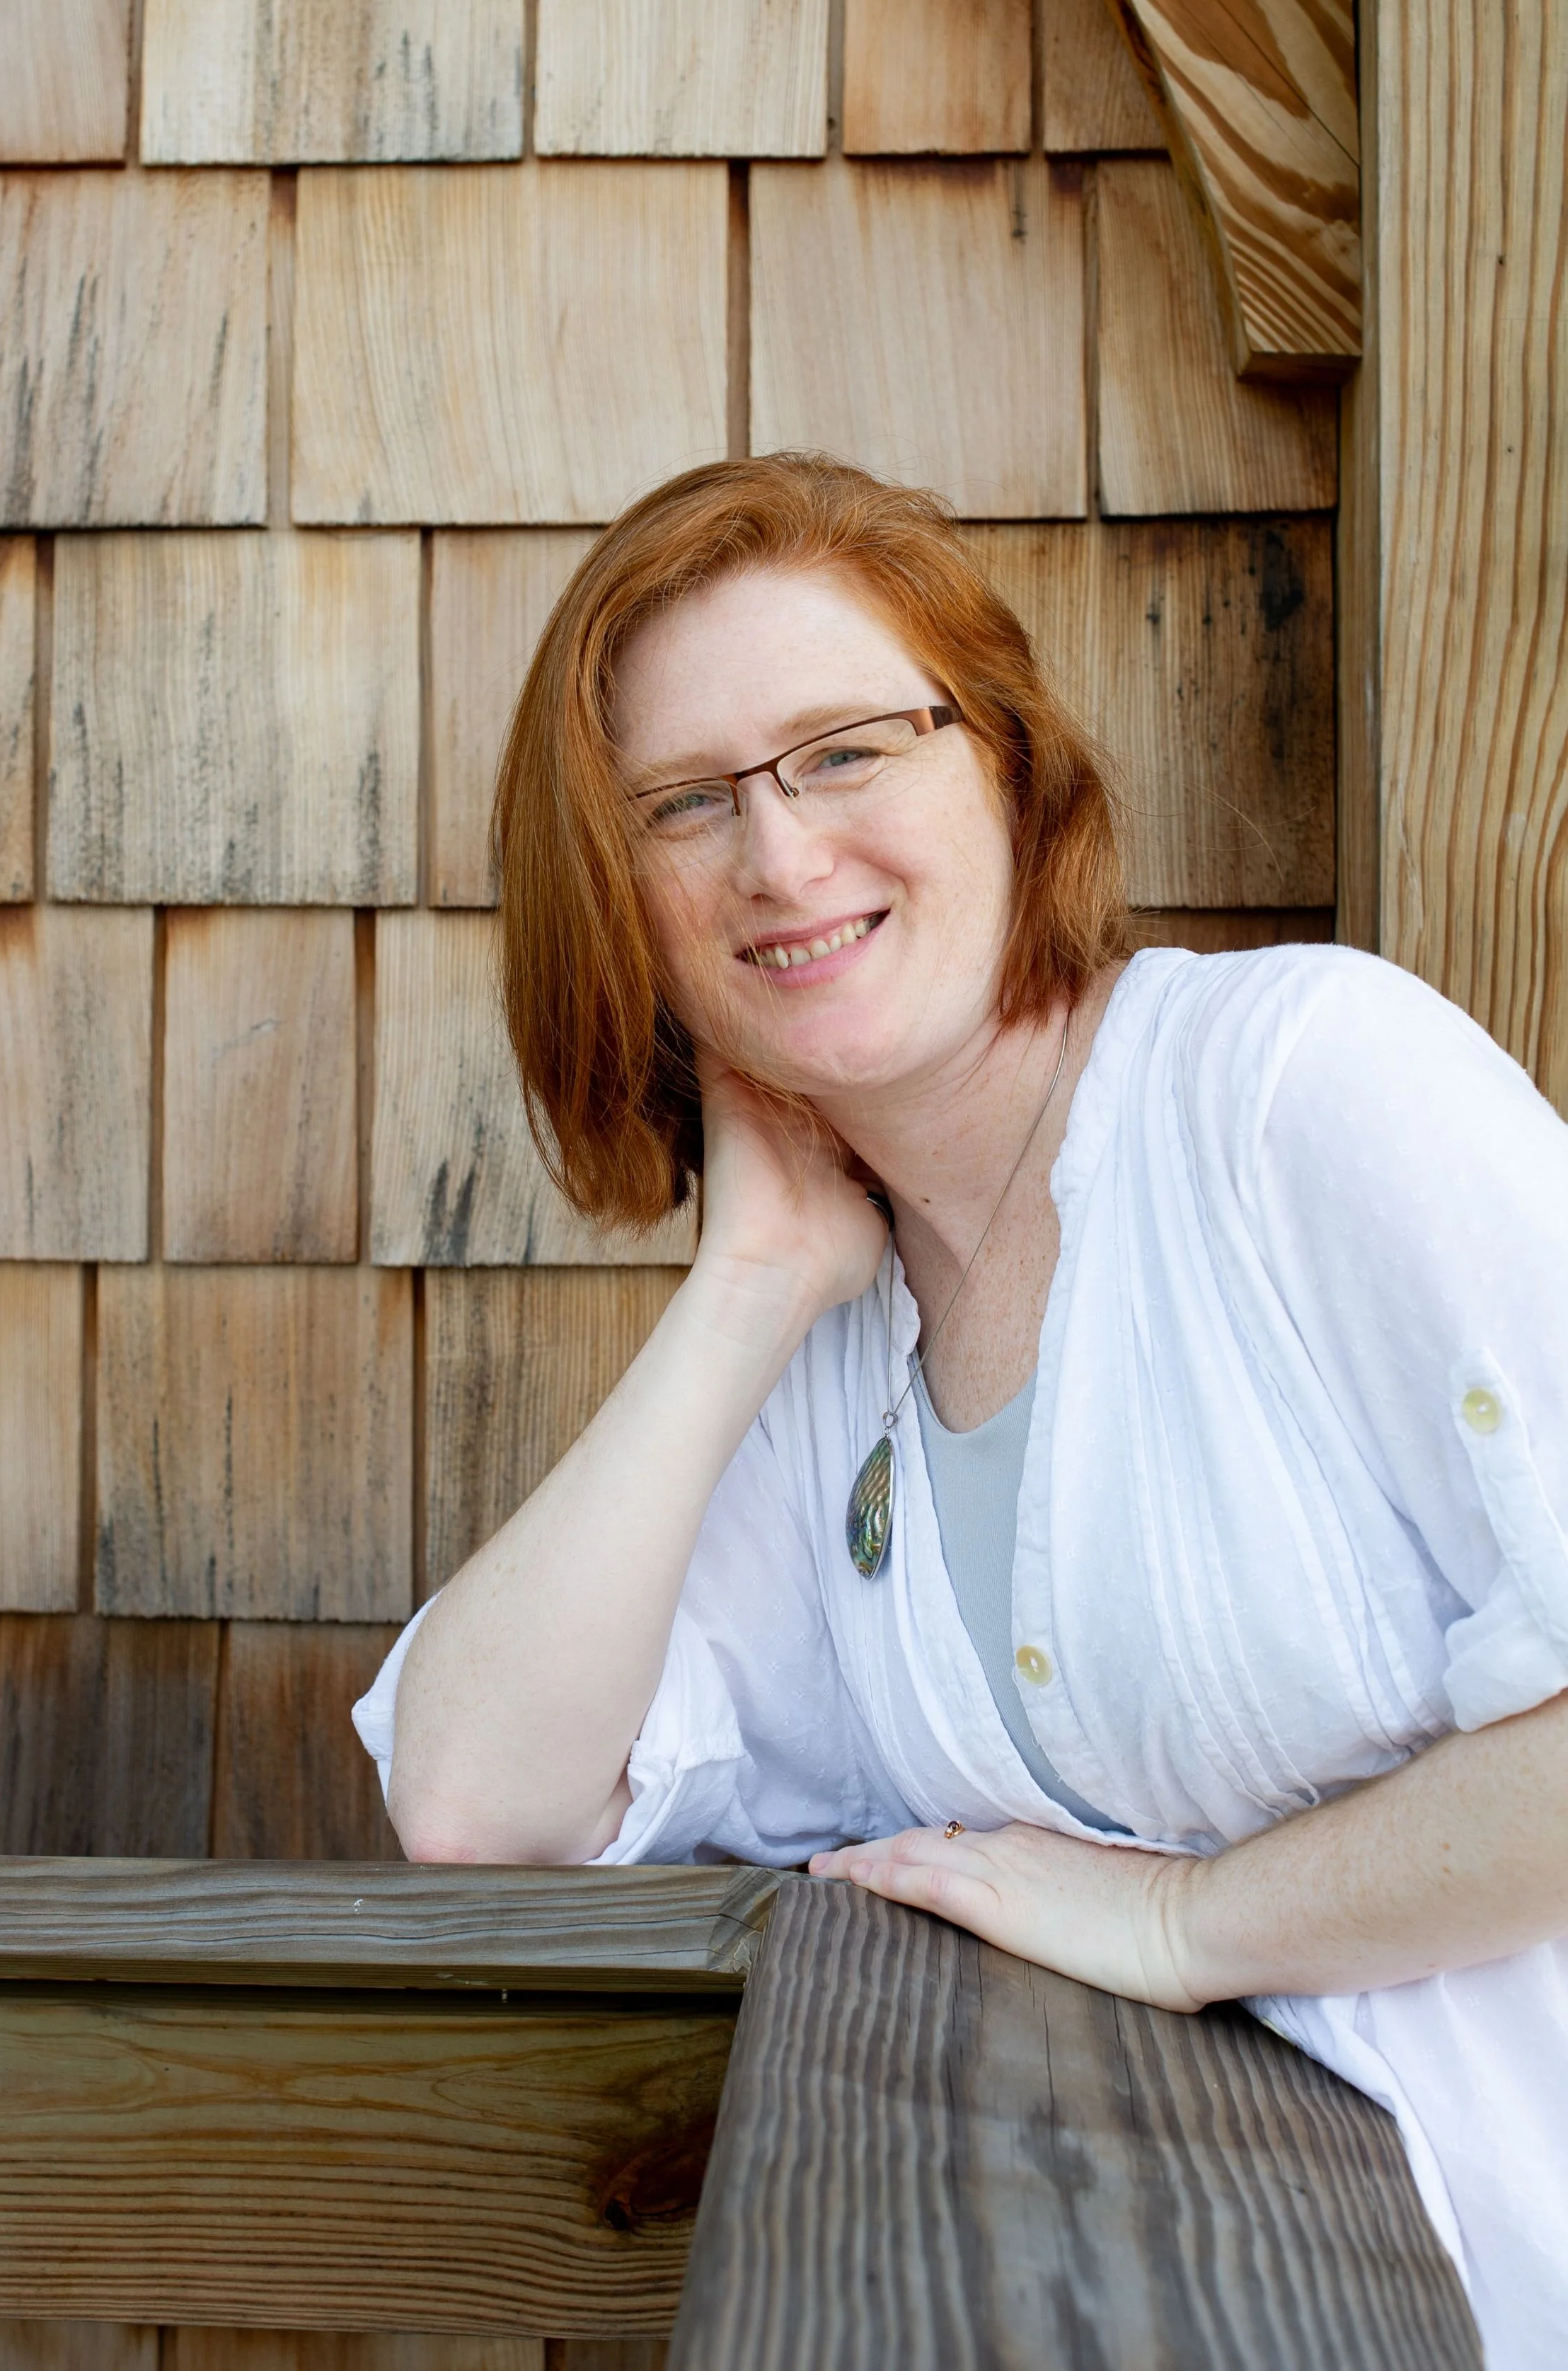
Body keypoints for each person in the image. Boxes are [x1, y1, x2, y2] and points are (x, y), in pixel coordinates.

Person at [356, 454, 1568, 2368]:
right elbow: (474, 1794)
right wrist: (748, 1280)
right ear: (624, 905)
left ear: (1001, 764)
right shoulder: (838, 1347)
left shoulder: (1297, 1094)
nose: (776, 857)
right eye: (681, 804)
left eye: (844, 749)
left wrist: (1190, 1922)